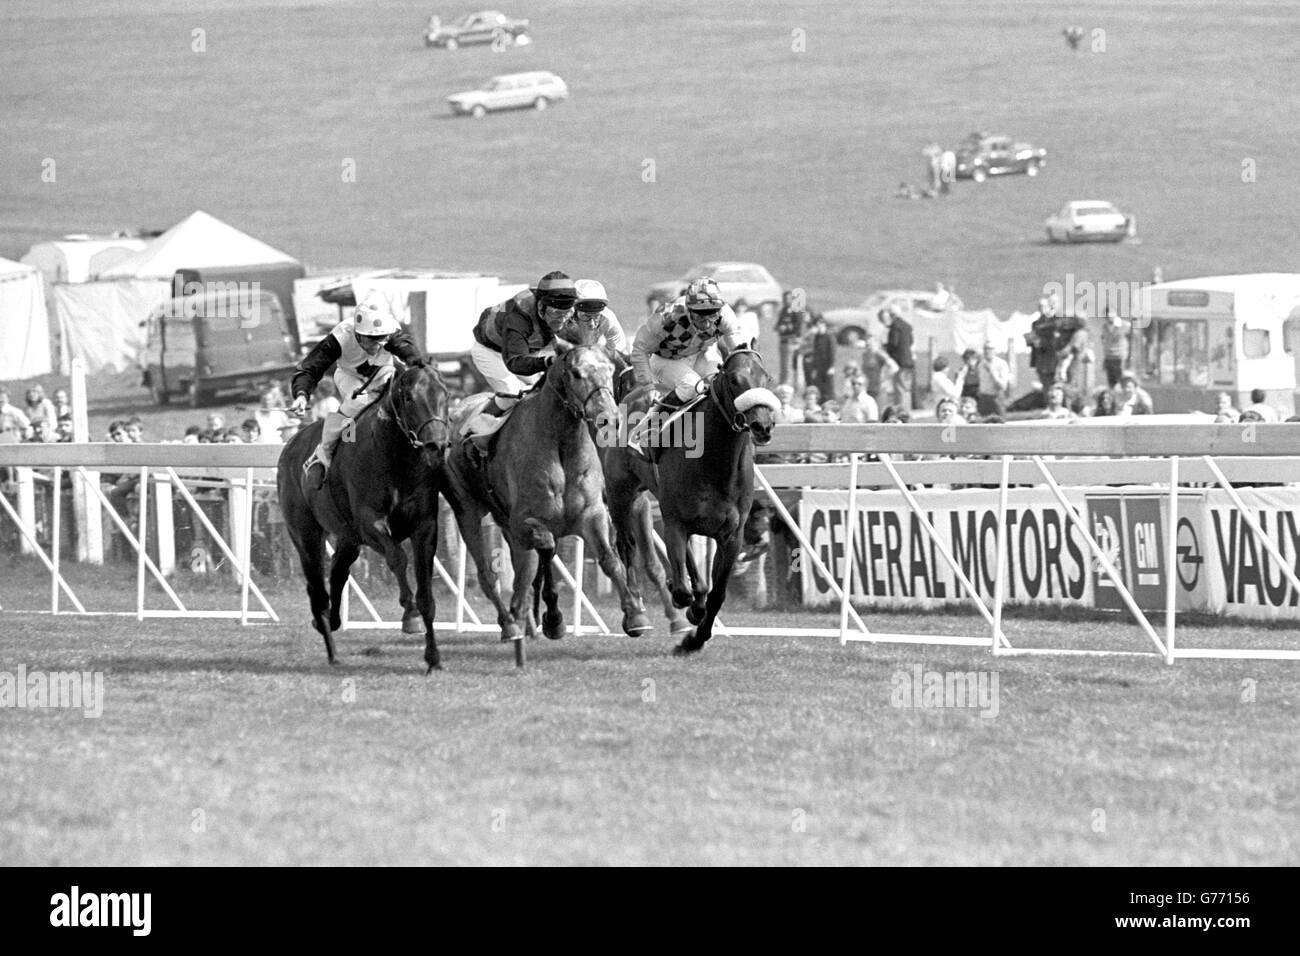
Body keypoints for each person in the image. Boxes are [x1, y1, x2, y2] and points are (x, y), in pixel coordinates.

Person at [289, 289, 427, 487]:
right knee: (360, 401)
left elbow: (412, 355)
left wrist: (417, 364)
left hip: (383, 374)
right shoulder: (339, 337)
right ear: (357, 333)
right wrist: (301, 395)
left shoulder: (392, 333)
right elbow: (310, 368)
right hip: (349, 376)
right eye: (371, 339)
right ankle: (322, 455)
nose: (378, 345)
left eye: (382, 338)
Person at [462, 271, 579, 453]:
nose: (562, 319)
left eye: (567, 312)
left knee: (545, 391)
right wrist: (548, 361)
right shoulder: (518, 320)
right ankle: (470, 434)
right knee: (512, 393)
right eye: (556, 313)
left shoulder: (564, 311)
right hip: (492, 353)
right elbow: (515, 364)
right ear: (541, 306)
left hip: (527, 350)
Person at [630, 276, 743, 413]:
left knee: (721, 383)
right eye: (700, 316)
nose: (707, 323)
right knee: (692, 385)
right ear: (689, 310)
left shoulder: (725, 315)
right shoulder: (667, 316)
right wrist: (648, 385)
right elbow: (639, 349)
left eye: (712, 314)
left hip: (700, 355)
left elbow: (739, 352)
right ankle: (652, 421)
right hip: (664, 360)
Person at [561, 279, 629, 354]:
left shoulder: (607, 318)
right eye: (586, 316)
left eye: (596, 316)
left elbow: (619, 350)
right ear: (574, 311)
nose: (592, 324)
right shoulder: (563, 317)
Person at [879, 307, 916, 410]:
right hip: (909, 360)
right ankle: (907, 410)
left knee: (899, 389)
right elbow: (911, 342)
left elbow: (894, 343)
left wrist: (885, 347)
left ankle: (901, 410)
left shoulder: (895, 326)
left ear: (892, 315)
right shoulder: (907, 326)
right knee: (906, 389)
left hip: (899, 361)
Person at [801, 313, 835, 401]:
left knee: (828, 388)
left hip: (827, 366)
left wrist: (831, 366)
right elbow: (815, 352)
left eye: (818, 325)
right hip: (818, 366)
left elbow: (831, 353)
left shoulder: (829, 337)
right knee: (819, 386)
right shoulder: (817, 337)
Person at [775, 292, 806, 386]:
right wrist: (779, 327)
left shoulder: (796, 311)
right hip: (783, 341)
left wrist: (787, 327)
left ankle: (790, 385)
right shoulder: (783, 310)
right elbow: (778, 324)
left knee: (791, 365)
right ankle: (782, 383)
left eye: (788, 299)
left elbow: (799, 326)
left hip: (792, 341)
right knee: (783, 365)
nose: (785, 301)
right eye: (784, 299)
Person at [976, 341, 1011, 418]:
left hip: (996, 398)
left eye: (990, 349)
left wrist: (991, 372)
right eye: (985, 349)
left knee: (999, 423)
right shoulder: (981, 364)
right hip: (984, 398)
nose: (987, 351)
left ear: (995, 350)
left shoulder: (1001, 364)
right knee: (983, 423)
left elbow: (1003, 386)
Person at [1101, 314, 1130, 388]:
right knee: (1111, 382)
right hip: (1108, 357)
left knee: (1121, 380)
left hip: (1119, 357)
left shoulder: (1125, 325)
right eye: (1107, 316)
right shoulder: (1105, 327)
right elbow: (1105, 341)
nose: (1109, 317)